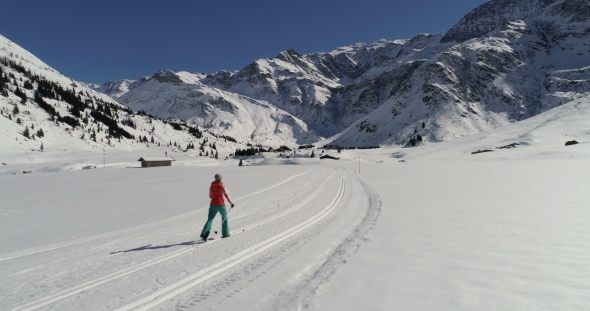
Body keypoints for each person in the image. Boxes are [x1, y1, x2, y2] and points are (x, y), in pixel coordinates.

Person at [200, 173, 234, 241]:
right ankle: (225, 234)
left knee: (210, 219)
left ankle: (204, 234)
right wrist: (231, 203)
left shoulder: (211, 186)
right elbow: (226, 195)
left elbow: (210, 196)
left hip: (212, 205)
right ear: (220, 179)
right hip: (221, 205)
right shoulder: (222, 186)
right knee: (224, 218)